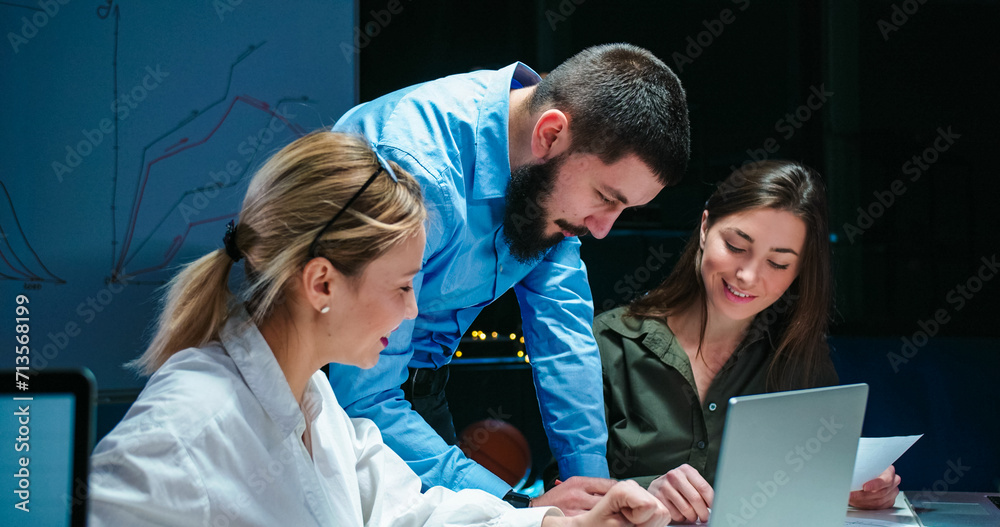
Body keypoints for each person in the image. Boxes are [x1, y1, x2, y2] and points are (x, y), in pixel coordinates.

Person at [87, 131, 671, 526]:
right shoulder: (179, 436)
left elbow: (414, 514)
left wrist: (559, 521)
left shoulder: (317, 405)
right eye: (401, 286)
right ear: (321, 283)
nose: (414, 311)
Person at [329, 42, 690, 511]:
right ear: (551, 134)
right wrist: (516, 509)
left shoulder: (552, 178)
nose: (603, 229)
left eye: (626, 209)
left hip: (417, 393)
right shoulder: (414, 168)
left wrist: (596, 497)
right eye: (606, 196)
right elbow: (361, 396)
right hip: (329, 394)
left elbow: (564, 338)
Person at [596, 160, 902, 524]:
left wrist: (859, 487)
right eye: (737, 246)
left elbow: (818, 477)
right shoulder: (611, 342)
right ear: (706, 227)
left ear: (800, 270)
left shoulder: (798, 354)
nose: (747, 276)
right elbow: (563, 492)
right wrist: (643, 491)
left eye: (778, 263)